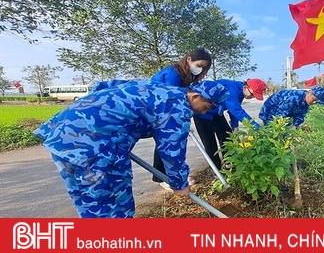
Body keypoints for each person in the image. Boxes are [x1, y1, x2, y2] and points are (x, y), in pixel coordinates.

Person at [33, 79, 229, 218]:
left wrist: (107, 117)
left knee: (88, 201)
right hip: (95, 148)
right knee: (114, 206)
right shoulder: (177, 108)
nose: (207, 111)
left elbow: (105, 86)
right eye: (209, 106)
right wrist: (180, 185)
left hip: (62, 135)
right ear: (195, 96)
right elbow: (172, 153)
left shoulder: (156, 87)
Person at [150, 48, 212, 186]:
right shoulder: (174, 74)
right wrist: (178, 121)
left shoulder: (184, 75)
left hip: (162, 111)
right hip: (156, 110)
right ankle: (163, 179)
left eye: (203, 69)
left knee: (168, 143)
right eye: (200, 66)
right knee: (166, 143)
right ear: (189, 59)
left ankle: (170, 176)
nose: (200, 70)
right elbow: (171, 100)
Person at [193, 78, 267, 170]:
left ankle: (228, 163)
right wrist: (257, 128)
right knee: (210, 143)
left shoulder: (241, 91)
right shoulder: (232, 90)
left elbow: (233, 111)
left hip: (216, 112)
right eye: (252, 94)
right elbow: (237, 111)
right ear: (246, 86)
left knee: (226, 135)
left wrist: (235, 126)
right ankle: (216, 170)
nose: (252, 97)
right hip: (202, 112)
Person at [259, 86, 324, 128]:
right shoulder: (294, 98)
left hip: (284, 114)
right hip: (270, 112)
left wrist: (295, 126)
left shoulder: (305, 101)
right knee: (271, 131)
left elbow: (301, 115)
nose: (314, 102)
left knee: (287, 131)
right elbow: (279, 116)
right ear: (309, 93)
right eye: (314, 100)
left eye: (317, 102)